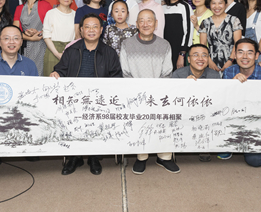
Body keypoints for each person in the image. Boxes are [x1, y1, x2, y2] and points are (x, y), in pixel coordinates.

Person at [51, 14, 122, 175]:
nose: (91, 30)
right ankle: (74, 157)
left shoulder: (109, 53)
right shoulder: (71, 50)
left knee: (96, 126)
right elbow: (61, 70)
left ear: (101, 30)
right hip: (74, 99)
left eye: (95, 27)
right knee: (72, 125)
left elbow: (116, 77)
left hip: (99, 101)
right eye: (87, 27)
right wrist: (56, 74)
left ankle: (94, 157)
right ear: (81, 30)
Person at [120, 9, 178, 174]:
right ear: (137, 24)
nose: (145, 24)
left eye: (149, 20)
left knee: (162, 123)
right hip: (136, 95)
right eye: (142, 21)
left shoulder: (164, 45)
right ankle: (141, 157)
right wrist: (139, 93)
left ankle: (164, 157)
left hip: (159, 94)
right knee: (140, 124)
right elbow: (125, 72)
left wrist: (156, 92)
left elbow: (167, 72)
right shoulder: (127, 44)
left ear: (156, 23)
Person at [0, 25, 38, 166]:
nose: (11, 42)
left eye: (16, 38)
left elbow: (35, 92)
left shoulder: (30, 65)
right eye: (7, 38)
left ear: (21, 42)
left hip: (22, 111)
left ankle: (28, 148)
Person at [222, 38, 261, 164]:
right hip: (234, 119)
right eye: (240, 52)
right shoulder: (229, 72)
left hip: (258, 122)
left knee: (255, 161)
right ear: (235, 55)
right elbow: (223, 102)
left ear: (257, 55)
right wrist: (232, 84)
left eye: (250, 53)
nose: (245, 57)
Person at [172, 43, 221, 162]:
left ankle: (204, 145)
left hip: (204, 112)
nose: (200, 58)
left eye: (204, 55)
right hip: (183, 111)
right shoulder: (178, 74)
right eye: (195, 55)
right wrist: (185, 86)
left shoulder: (214, 75)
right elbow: (172, 100)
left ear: (208, 59)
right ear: (188, 59)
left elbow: (217, 101)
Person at [13, 0, 52, 76]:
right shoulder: (19, 8)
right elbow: (15, 32)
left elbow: (52, 28)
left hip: (42, 46)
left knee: (39, 75)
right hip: (24, 48)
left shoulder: (46, 5)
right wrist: (29, 37)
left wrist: (38, 33)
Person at [198, 0, 242, 72]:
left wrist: (230, 61)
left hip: (232, 62)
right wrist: (209, 61)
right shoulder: (205, 22)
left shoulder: (234, 20)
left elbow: (238, 43)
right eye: (213, 3)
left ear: (225, 4)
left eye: (220, 3)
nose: (217, 6)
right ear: (210, 4)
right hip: (210, 63)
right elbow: (203, 45)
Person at [42, 0, 76, 76]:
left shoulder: (75, 14)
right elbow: (46, 36)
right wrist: (57, 54)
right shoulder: (51, 13)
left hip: (70, 52)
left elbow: (77, 37)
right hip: (53, 50)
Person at [163, 0, 193, 70]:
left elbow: (188, 31)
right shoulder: (162, 8)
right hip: (165, 51)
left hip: (179, 51)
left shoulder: (185, 6)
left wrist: (182, 54)